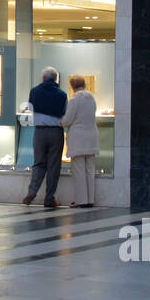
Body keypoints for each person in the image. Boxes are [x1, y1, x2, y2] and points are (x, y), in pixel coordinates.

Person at [23, 67, 68, 208]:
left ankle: (32, 191)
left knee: (38, 163)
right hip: (56, 132)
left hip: (39, 132)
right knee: (53, 166)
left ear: (43, 78)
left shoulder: (34, 91)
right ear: (55, 79)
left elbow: (30, 109)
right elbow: (65, 113)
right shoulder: (62, 94)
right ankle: (49, 198)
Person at [60, 74, 98, 208]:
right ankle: (90, 199)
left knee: (79, 170)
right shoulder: (91, 98)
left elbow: (68, 119)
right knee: (89, 169)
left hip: (78, 138)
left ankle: (82, 200)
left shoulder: (74, 99)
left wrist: (60, 122)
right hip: (91, 137)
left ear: (72, 86)